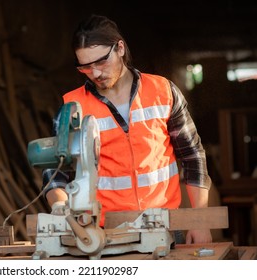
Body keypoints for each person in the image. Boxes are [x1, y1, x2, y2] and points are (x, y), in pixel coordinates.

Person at [42, 14, 212, 244]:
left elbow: (193, 156)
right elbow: (55, 174)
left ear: (120, 48)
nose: (96, 73)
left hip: (167, 226)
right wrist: (62, 212)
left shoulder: (163, 91)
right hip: (103, 234)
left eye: (101, 62)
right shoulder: (73, 108)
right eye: (85, 67)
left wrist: (199, 220)